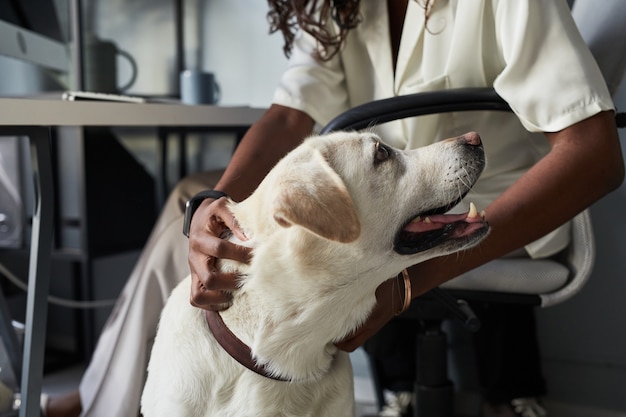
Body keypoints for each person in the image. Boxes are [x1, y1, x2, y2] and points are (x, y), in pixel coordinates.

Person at [45, 1, 625, 416]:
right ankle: (128, 397)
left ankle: (104, 399)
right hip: (388, 200)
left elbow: (594, 156)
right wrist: (213, 206)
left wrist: (407, 283)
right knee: (188, 197)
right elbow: (290, 115)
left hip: (488, 201)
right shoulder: (336, 5)